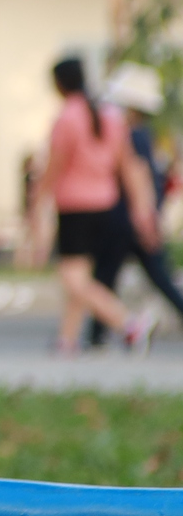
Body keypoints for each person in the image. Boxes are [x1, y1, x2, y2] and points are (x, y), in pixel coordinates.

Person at [26, 56, 155, 355]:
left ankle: (129, 324)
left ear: (59, 84)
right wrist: (141, 210)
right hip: (106, 205)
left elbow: (53, 167)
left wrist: (37, 203)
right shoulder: (109, 116)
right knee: (80, 275)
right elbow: (127, 167)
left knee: (73, 279)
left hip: (76, 208)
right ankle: (66, 339)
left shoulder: (68, 118)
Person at [88, 62, 183, 343]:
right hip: (134, 217)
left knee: (107, 276)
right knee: (150, 276)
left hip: (127, 218)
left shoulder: (132, 137)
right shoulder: (142, 135)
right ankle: (97, 334)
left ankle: (97, 335)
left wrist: (145, 218)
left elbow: (141, 181)